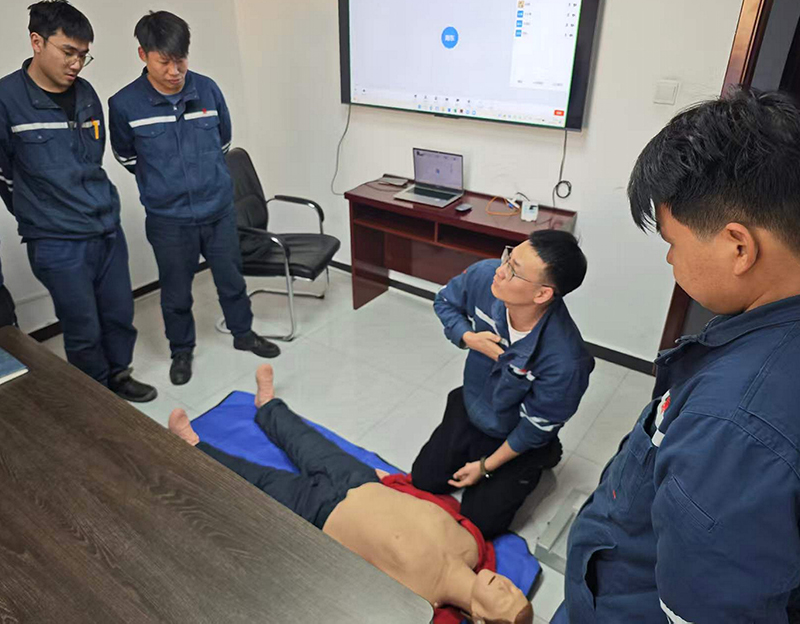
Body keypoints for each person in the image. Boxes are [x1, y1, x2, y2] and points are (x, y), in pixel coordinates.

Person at [552, 88, 800, 624]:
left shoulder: (731, 427)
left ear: (739, 247)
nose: (669, 258)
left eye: (672, 241)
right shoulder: (764, 334)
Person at [168, 364, 533, 624]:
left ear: (480, 619)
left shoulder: (421, 604)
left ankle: (193, 445)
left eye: (504, 599)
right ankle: (268, 406)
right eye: (514, 590)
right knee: (304, 440)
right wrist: (394, 482)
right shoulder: (474, 546)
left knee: (254, 480)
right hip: (361, 480)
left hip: (319, 512)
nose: (507, 585)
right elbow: (432, 506)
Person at [108, 11, 279, 387]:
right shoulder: (124, 104)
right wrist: (164, 183)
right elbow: (126, 156)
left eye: (181, 60)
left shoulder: (208, 90)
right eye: (164, 62)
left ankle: (243, 333)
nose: (174, 71)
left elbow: (223, 142)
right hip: (168, 219)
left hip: (218, 210)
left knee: (231, 279)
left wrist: (203, 179)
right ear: (143, 55)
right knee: (175, 293)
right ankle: (181, 351)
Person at [0, 0, 155, 401]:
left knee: (119, 314)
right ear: (37, 42)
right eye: (68, 52)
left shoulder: (86, 94)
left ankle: (119, 374)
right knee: (83, 327)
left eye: (84, 55)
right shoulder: (6, 99)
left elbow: (92, 160)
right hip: (56, 240)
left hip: (105, 228)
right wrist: (42, 214)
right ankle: (97, 400)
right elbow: (5, 177)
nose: (76, 64)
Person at [412, 231, 594, 539]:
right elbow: (444, 301)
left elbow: (535, 425)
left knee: (480, 524)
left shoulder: (566, 361)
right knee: (424, 480)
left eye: (514, 270)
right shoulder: (486, 277)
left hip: (515, 430)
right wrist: (467, 337)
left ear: (542, 294)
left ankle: (544, 453)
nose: (500, 270)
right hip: (472, 404)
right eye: (508, 257)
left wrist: (484, 467)